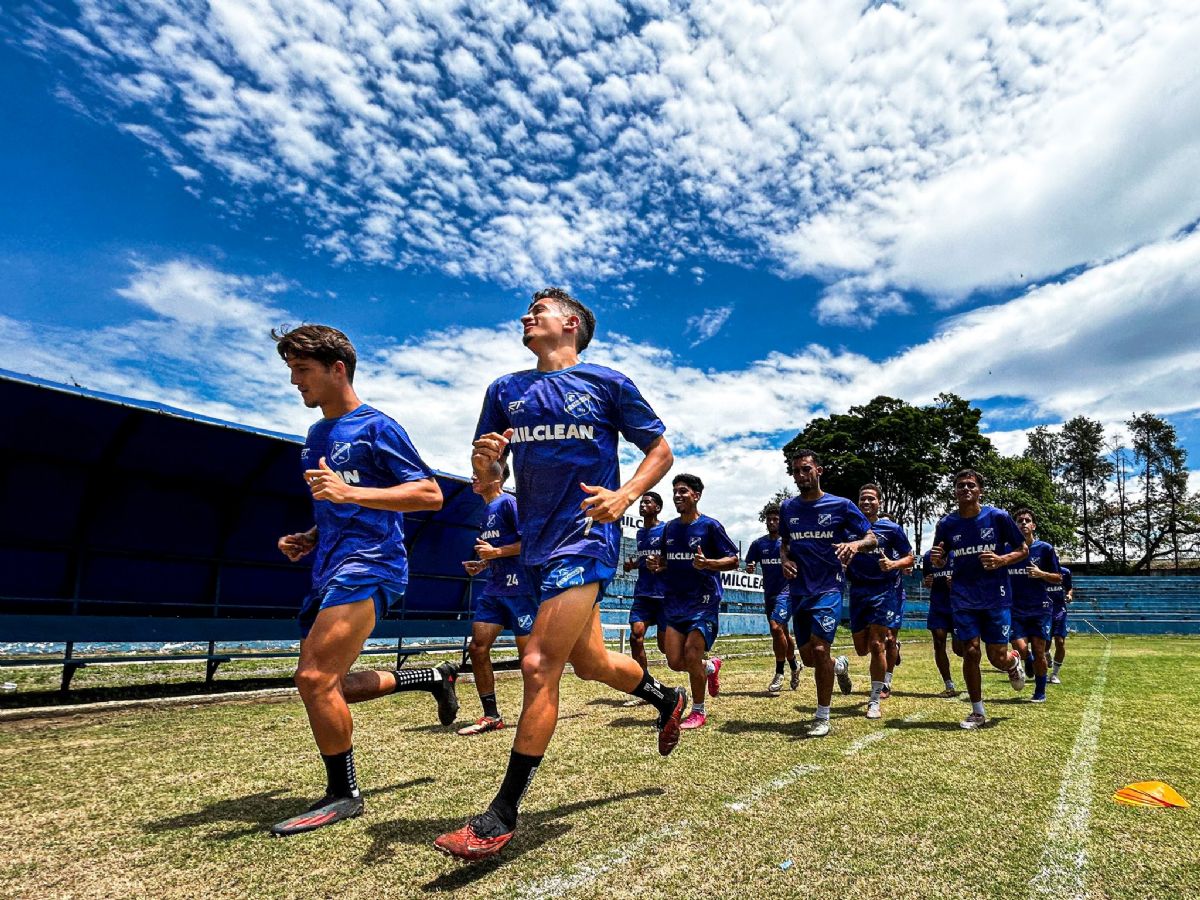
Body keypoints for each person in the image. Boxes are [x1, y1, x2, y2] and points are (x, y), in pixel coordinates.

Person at [435, 287, 685, 861]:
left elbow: (661, 451)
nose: (526, 317)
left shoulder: (607, 382)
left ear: (570, 324)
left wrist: (624, 495)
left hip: (587, 534)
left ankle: (498, 817)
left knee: (537, 663)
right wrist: (484, 463)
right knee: (591, 664)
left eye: (538, 310)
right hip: (537, 548)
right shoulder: (505, 391)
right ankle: (665, 699)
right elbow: (488, 480)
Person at [269, 324, 458, 837]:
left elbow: (429, 494)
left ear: (338, 369)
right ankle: (430, 678)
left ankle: (343, 794)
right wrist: (310, 534)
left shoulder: (377, 427)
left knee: (314, 679)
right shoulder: (315, 437)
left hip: (372, 563)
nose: (294, 382)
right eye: (290, 370)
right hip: (327, 563)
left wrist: (349, 496)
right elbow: (335, 500)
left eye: (302, 370)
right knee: (322, 685)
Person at [777, 451, 876, 737]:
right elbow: (784, 543)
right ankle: (839, 666)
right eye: (796, 471)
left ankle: (822, 716)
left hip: (829, 588)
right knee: (809, 658)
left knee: (820, 649)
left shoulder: (841, 505)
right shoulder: (788, 508)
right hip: (799, 591)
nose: (800, 475)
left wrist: (856, 545)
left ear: (819, 470)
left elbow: (872, 537)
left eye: (806, 469)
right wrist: (785, 560)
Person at [930, 469, 1028, 730]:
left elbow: (1022, 549)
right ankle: (977, 711)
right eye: (960, 485)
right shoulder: (947, 524)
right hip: (962, 596)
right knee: (970, 651)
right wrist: (937, 560)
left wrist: (1001, 560)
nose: (965, 489)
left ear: (980, 490)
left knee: (997, 657)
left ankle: (1013, 661)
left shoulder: (997, 517)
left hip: (996, 595)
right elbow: (938, 557)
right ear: (955, 491)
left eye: (970, 485)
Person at [651, 474, 739, 729]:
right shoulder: (669, 528)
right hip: (675, 602)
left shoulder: (710, 527)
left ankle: (698, 711)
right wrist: (659, 564)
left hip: (704, 601)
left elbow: (733, 559)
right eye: (675, 492)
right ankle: (710, 667)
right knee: (675, 661)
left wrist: (709, 563)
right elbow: (667, 560)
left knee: (691, 654)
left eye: (683, 491)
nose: (678, 496)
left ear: (696, 496)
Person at [458, 464, 537, 735]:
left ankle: (536, 711)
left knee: (529, 659)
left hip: (520, 590)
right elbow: (497, 552)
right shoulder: (487, 510)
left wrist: (496, 552)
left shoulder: (509, 503)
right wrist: (483, 564)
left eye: (478, 471)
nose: (473, 476)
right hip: (494, 588)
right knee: (477, 648)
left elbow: (531, 543)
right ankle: (491, 716)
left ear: (497, 476)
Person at [845, 484, 913, 719]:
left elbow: (909, 557)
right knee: (861, 649)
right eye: (863, 499)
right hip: (857, 591)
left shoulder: (891, 529)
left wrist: (894, 565)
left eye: (871, 499)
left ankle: (875, 699)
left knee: (877, 644)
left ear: (879, 503)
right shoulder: (848, 528)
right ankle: (841, 666)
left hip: (885, 590)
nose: (866, 502)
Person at [1007, 508, 1062, 704]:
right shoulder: (1007, 550)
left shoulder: (1045, 549)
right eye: (1019, 520)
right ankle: (1026, 660)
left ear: (1033, 526)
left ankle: (1040, 692)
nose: (1023, 523)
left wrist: (1041, 574)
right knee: (1021, 649)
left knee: (1040, 650)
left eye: (1027, 520)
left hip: (1040, 608)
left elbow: (1058, 578)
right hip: (1014, 608)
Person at [746, 504, 802, 693]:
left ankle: (779, 673)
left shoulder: (789, 543)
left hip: (787, 592)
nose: (772, 522)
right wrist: (751, 567)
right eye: (769, 519)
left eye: (776, 519)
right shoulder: (758, 544)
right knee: (782, 633)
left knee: (775, 627)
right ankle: (795, 666)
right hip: (769, 594)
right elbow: (750, 562)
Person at [622, 492, 668, 700]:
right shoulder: (640, 534)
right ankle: (646, 688)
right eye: (641, 502)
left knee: (666, 648)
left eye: (647, 502)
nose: (643, 505)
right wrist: (632, 565)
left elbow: (675, 560)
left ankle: (707, 665)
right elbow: (644, 560)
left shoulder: (667, 530)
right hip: (643, 594)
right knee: (636, 636)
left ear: (657, 508)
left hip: (665, 595)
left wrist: (662, 565)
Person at [922, 549, 961, 696]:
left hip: (958, 606)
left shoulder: (958, 553)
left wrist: (957, 582)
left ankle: (973, 677)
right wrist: (927, 582)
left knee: (960, 649)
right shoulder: (928, 557)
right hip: (938, 606)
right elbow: (926, 580)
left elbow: (971, 577)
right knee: (939, 643)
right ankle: (949, 685)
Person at [1048, 566, 1073, 683]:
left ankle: (1054, 674)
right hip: (1043, 610)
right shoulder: (1038, 570)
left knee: (1060, 641)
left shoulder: (1064, 572)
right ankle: (1046, 654)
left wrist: (1069, 595)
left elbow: (1069, 588)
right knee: (1044, 644)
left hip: (1059, 611)